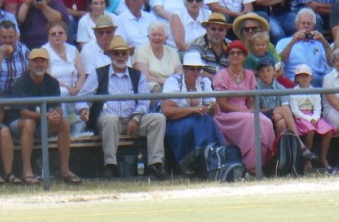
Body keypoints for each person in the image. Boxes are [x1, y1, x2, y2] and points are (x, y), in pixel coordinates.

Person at [77, 35, 167, 179]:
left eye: (123, 53)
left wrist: (136, 118)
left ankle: (156, 163)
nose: (120, 57)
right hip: (108, 120)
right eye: (116, 53)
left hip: (133, 119)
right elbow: (83, 96)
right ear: (110, 55)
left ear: (128, 55)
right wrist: (84, 109)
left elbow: (144, 100)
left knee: (158, 118)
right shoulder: (98, 73)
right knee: (111, 119)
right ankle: (110, 165)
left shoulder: (137, 75)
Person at [11, 47, 81, 184]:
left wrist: (56, 115)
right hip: (18, 124)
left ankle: (65, 170)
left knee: (64, 122)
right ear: (29, 64)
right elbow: (23, 112)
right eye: (35, 61)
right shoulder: (21, 82)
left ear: (47, 64)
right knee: (29, 123)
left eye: (42, 61)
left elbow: (57, 106)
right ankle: (27, 171)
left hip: (43, 123)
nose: (39, 64)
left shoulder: (52, 82)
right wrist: (46, 115)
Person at [212, 39, 275, 172]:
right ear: (228, 56)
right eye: (232, 53)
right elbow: (222, 104)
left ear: (244, 56)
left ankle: (266, 162)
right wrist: (244, 111)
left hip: (246, 112)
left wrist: (251, 109)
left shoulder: (249, 74)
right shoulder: (221, 75)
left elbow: (251, 100)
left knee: (266, 122)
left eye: (239, 53)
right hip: (226, 115)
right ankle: (251, 165)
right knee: (252, 121)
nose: (235, 55)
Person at [160, 52, 223, 173]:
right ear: (184, 69)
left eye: (199, 69)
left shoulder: (204, 82)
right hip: (176, 122)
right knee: (195, 125)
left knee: (209, 122)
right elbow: (167, 110)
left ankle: (213, 157)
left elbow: (215, 111)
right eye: (192, 69)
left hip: (199, 120)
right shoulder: (173, 82)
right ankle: (192, 162)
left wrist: (212, 106)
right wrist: (192, 110)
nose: (196, 72)